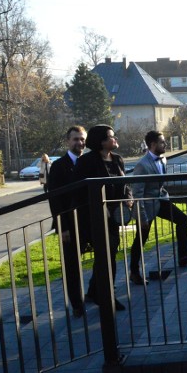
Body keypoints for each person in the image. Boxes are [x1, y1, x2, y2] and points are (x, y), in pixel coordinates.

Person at [128, 131, 187, 286]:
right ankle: (134, 272)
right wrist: (142, 217)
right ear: (153, 144)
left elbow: (160, 183)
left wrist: (165, 196)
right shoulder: (142, 165)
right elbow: (138, 194)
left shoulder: (163, 159)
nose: (166, 144)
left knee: (182, 219)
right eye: (162, 142)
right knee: (141, 239)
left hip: (161, 201)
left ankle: (183, 256)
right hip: (147, 206)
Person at [75, 124, 132, 312]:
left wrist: (128, 198)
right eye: (111, 137)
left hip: (114, 217)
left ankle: (93, 291)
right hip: (94, 219)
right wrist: (101, 206)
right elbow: (81, 191)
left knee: (107, 255)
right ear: (101, 141)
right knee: (107, 257)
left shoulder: (117, 159)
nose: (115, 139)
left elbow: (125, 184)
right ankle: (107, 297)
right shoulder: (87, 162)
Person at [47, 126, 87, 318]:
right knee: (72, 266)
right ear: (67, 141)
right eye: (75, 139)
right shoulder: (58, 166)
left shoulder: (88, 162)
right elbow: (55, 200)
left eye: (82, 139)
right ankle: (77, 304)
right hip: (69, 225)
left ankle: (98, 292)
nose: (79, 143)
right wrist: (62, 227)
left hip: (89, 221)